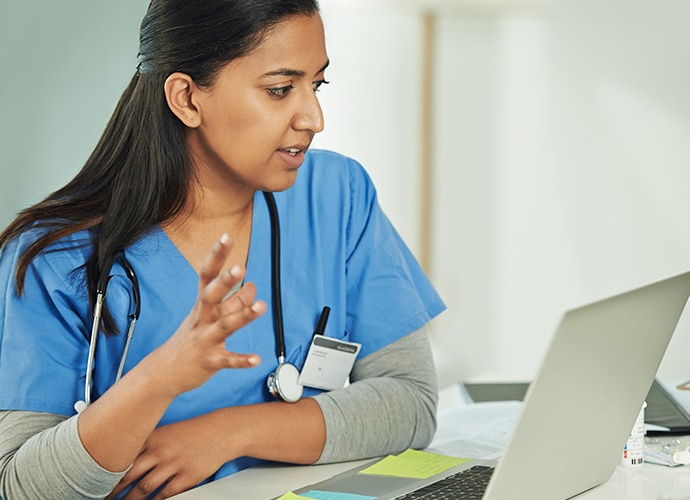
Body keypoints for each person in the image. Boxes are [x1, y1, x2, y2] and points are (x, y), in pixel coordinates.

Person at [0, 0, 445, 498]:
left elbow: (411, 402)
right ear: (187, 98)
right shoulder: (54, 258)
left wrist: (227, 433)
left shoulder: (338, 196)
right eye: (280, 90)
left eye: (316, 84)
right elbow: (20, 485)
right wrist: (159, 379)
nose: (314, 118)